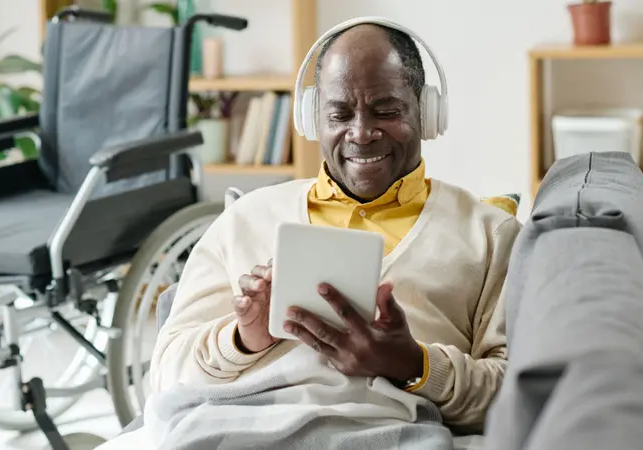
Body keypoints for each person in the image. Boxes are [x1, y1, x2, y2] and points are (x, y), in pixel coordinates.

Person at [100, 18, 520, 449]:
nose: (361, 133)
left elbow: (515, 391)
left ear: (429, 113)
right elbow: (167, 375)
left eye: (387, 111)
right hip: (233, 427)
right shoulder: (245, 219)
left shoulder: (489, 234)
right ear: (311, 118)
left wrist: (415, 364)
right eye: (339, 114)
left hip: (387, 431)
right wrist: (243, 339)